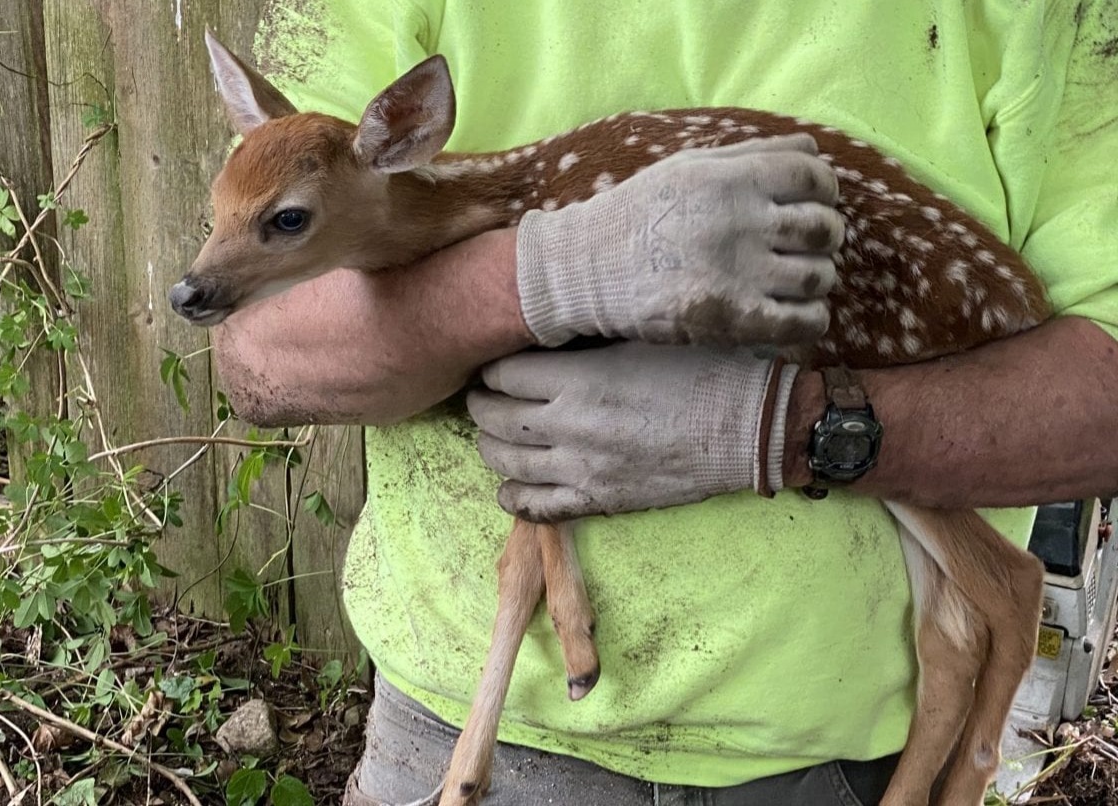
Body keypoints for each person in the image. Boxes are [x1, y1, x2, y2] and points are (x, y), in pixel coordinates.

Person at [211, 2, 1118, 804]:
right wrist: (545, 276)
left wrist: (783, 428)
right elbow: (260, 357)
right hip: (439, 726)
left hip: (829, 771)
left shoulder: (1054, 19)